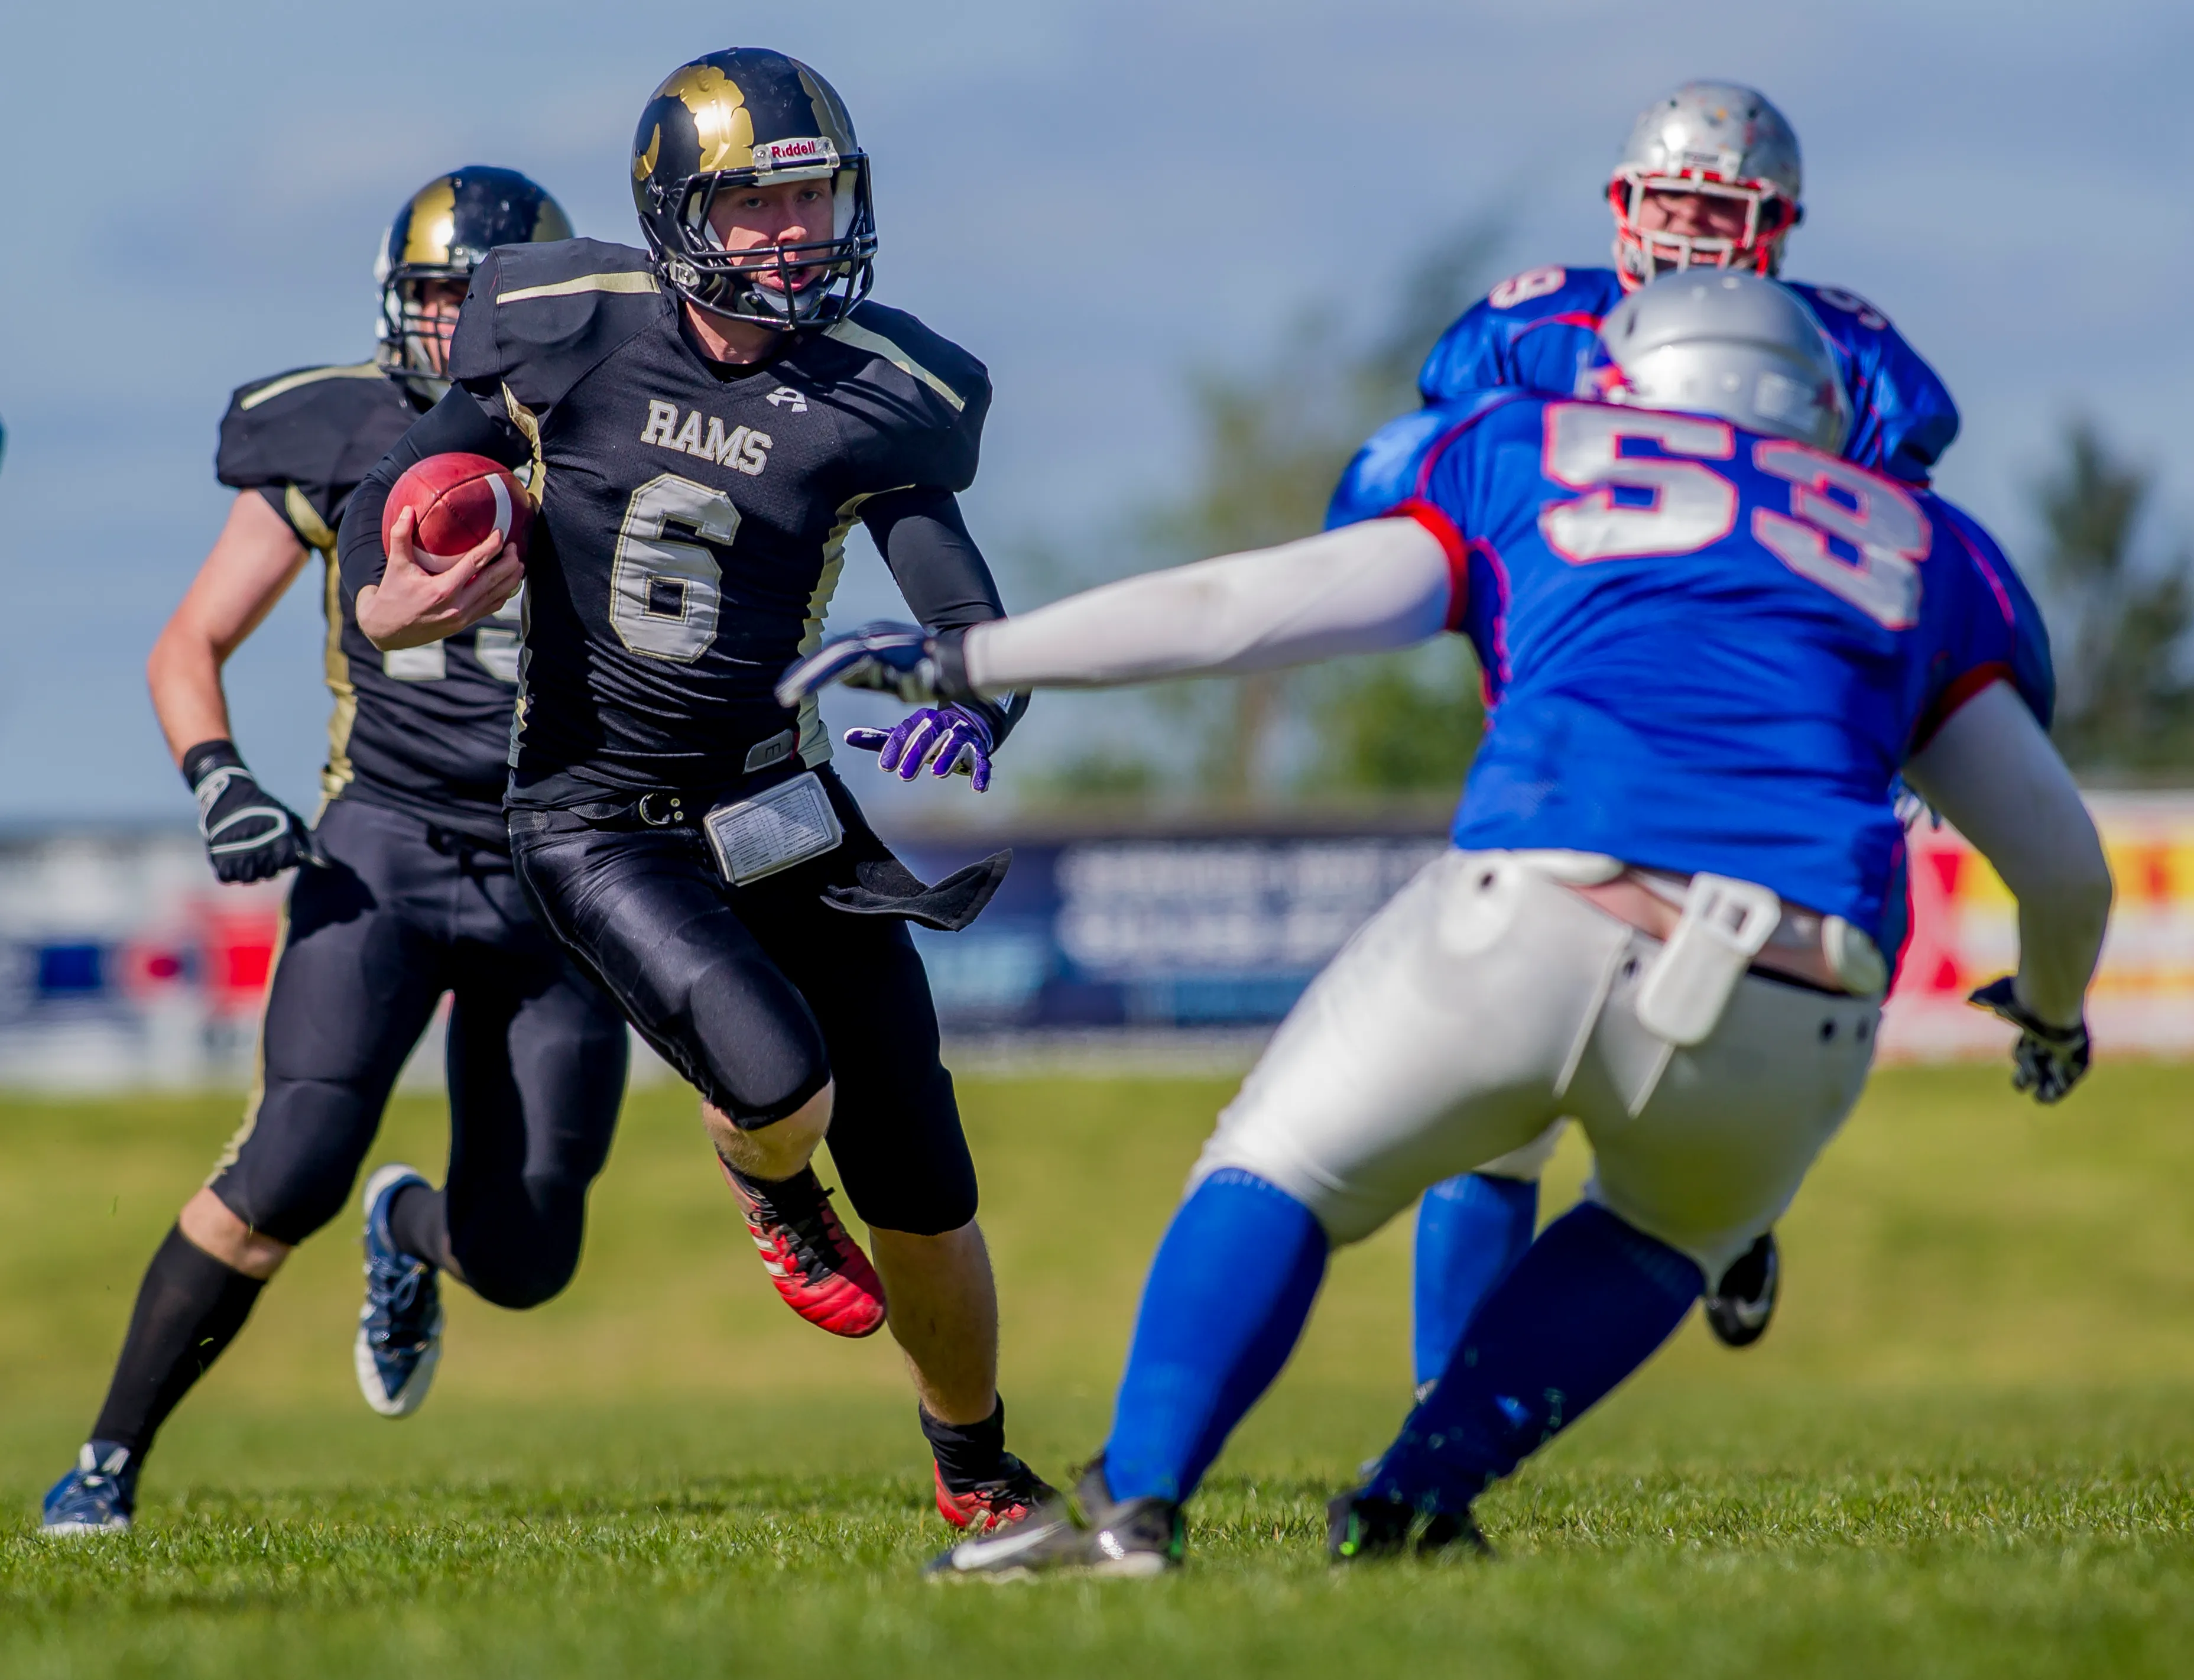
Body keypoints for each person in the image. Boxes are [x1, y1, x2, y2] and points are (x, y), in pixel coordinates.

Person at [783, 271, 2112, 1575]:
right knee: (1664, 1233)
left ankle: (1133, 1508)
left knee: (1281, 1162)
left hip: (1548, 904)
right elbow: (2061, 867)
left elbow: (1243, 611)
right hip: (1799, 985)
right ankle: (1413, 1503)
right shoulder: (1923, 546)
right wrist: (2050, 1017)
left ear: (1624, 379)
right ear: (1820, 407)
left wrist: (966, 656)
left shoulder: (1533, 451)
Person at [333, 48, 1049, 1534]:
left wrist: (972, 694)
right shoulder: (558, 323)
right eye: (755, 204)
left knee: (921, 1173)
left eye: (813, 196)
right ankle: (771, 1182)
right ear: (677, 213)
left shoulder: (876, 391)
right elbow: (405, 496)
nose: (793, 231)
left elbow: (962, 607)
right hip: (598, 815)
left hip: (780, 801)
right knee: (779, 1079)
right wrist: (390, 597)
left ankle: (977, 1469)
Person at [40, 170, 632, 1538]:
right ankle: (106, 1461)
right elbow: (189, 641)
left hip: (561, 863)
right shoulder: (332, 426)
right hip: (385, 843)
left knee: (526, 1256)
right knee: (288, 1160)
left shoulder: (621, 424)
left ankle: (408, 1225)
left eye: (486, 299)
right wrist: (219, 780)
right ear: (393, 299)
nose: (459, 324)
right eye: (439, 296)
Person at [1394, 82, 1965, 1370]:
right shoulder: (1528, 331)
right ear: (1622, 205)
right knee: (1499, 1092)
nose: (1694, 233)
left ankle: (1729, 1206)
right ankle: (1441, 1406)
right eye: (1673, 203)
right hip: (1575, 736)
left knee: (1739, 1029)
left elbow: (1898, 551)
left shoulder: (1848, 361)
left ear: (1775, 226)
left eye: (1722, 209)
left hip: (1760, 750)